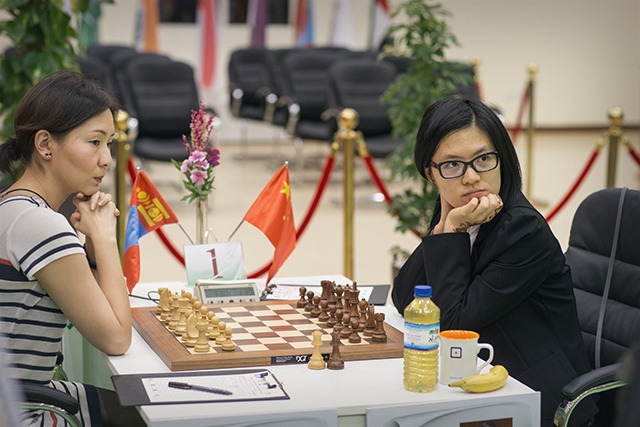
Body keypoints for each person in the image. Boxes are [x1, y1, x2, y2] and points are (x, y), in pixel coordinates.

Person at [392, 98, 598, 427]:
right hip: (481, 381)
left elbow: (451, 326)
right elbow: (405, 299)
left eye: (484, 159)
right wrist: (444, 225)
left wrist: (454, 229)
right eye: (452, 165)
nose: (472, 177)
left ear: (502, 159)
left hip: (538, 398)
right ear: (431, 173)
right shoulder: (458, 209)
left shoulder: (523, 229)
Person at [0, 70, 145, 426]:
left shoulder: (13, 205)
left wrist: (92, 242)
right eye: (95, 142)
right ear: (45, 144)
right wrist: (105, 236)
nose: (107, 159)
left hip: (23, 395)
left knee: (141, 406)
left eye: (109, 144)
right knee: (156, 412)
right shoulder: (40, 225)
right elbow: (116, 337)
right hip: (23, 413)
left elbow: (94, 301)